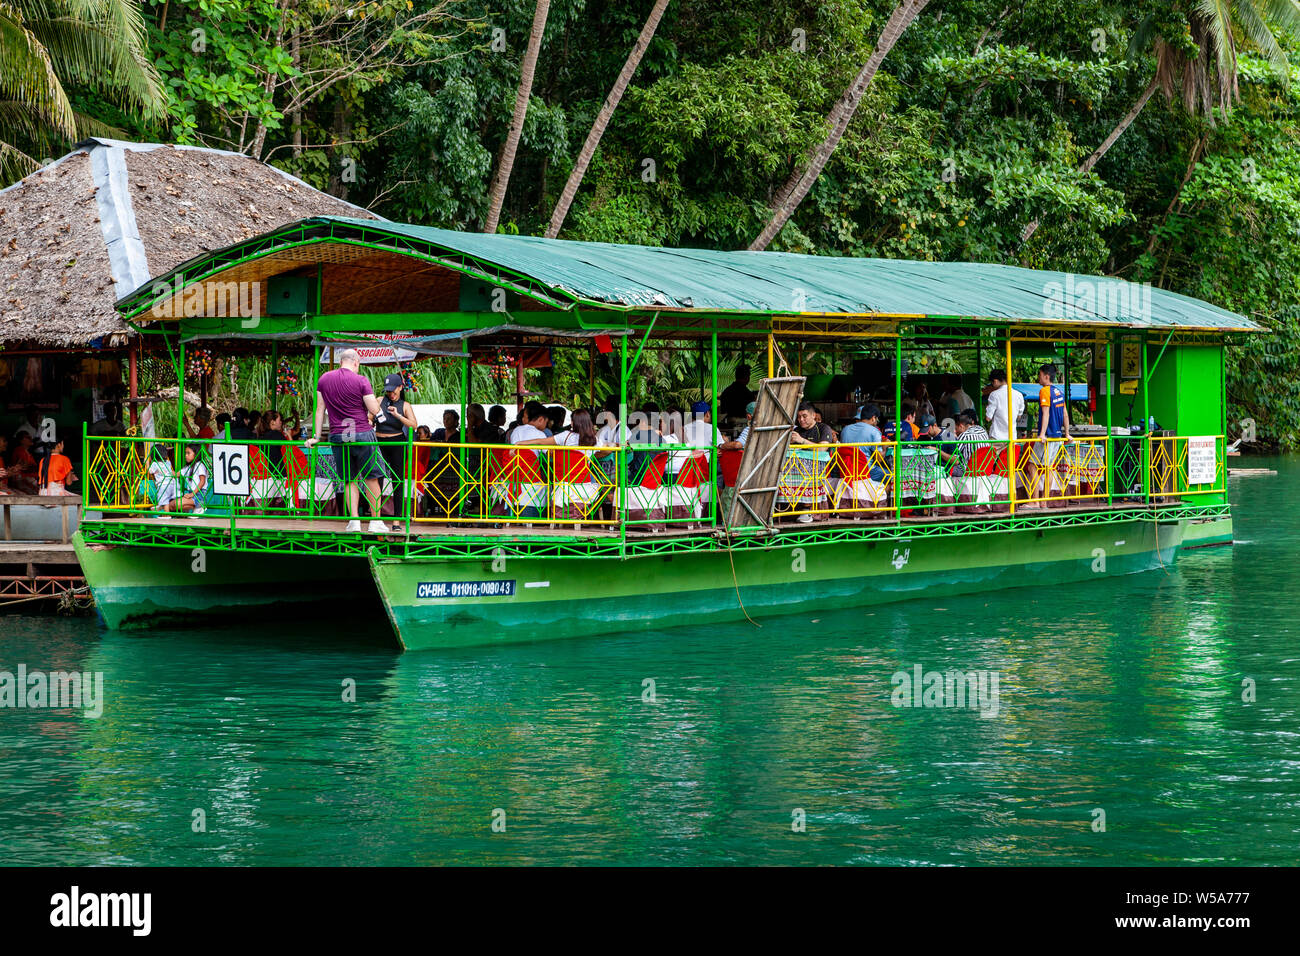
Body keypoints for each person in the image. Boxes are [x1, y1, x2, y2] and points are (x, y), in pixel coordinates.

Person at [306, 348, 388, 534]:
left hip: (339, 435)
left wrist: (317, 437)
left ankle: (354, 521)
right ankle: (375, 521)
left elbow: (320, 410)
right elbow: (374, 409)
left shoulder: (324, 379)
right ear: (356, 362)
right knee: (371, 477)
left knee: (350, 479)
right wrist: (377, 402)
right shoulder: (360, 380)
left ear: (342, 360)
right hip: (361, 433)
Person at [374, 373, 417, 495]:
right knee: (377, 477)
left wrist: (398, 416)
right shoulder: (379, 400)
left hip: (397, 443)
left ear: (400, 387)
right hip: (379, 442)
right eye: (388, 391)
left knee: (397, 479)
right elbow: (369, 417)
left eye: (393, 391)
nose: (390, 394)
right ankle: (375, 511)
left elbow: (414, 425)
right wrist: (370, 421)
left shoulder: (405, 405)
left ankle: (399, 513)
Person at [840, 403, 887, 482]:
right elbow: (878, 459)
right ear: (873, 418)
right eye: (877, 419)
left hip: (846, 471)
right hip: (866, 472)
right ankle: (876, 494)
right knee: (891, 476)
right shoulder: (874, 431)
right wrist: (885, 447)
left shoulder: (845, 429)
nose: (877, 422)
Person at [984, 368, 1024, 442]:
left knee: (993, 454)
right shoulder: (1019, 395)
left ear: (995, 381)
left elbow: (988, 418)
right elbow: (1019, 417)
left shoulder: (994, 395)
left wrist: (987, 409)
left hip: (997, 437)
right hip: (1012, 437)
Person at [173, 444, 209, 514]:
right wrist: (163, 468)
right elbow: (176, 474)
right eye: (185, 453)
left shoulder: (199, 465)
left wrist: (192, 494)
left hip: (199, 493)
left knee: (177, 504)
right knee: (172, 505)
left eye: (188, 453)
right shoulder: (188, 467)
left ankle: (200, 506)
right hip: (191, 493)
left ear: (196, 454)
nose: (186, 455)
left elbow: (202, 481)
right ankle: (196, 508)